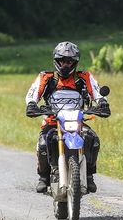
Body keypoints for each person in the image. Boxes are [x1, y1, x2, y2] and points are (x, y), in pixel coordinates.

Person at [25, 41, 111, 194]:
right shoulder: (47, 77)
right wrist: (31, 104)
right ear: (56, 61)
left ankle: (89, 174)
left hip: (77, 121)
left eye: (69, 61)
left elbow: (96, 92)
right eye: (62, 61)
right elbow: (33, 93)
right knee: (44, 143)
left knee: (93, 139)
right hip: (53, 121)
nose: (65, 65)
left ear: (75, 63)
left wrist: (103, 102)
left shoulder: (83, 77)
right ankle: (44, 177)